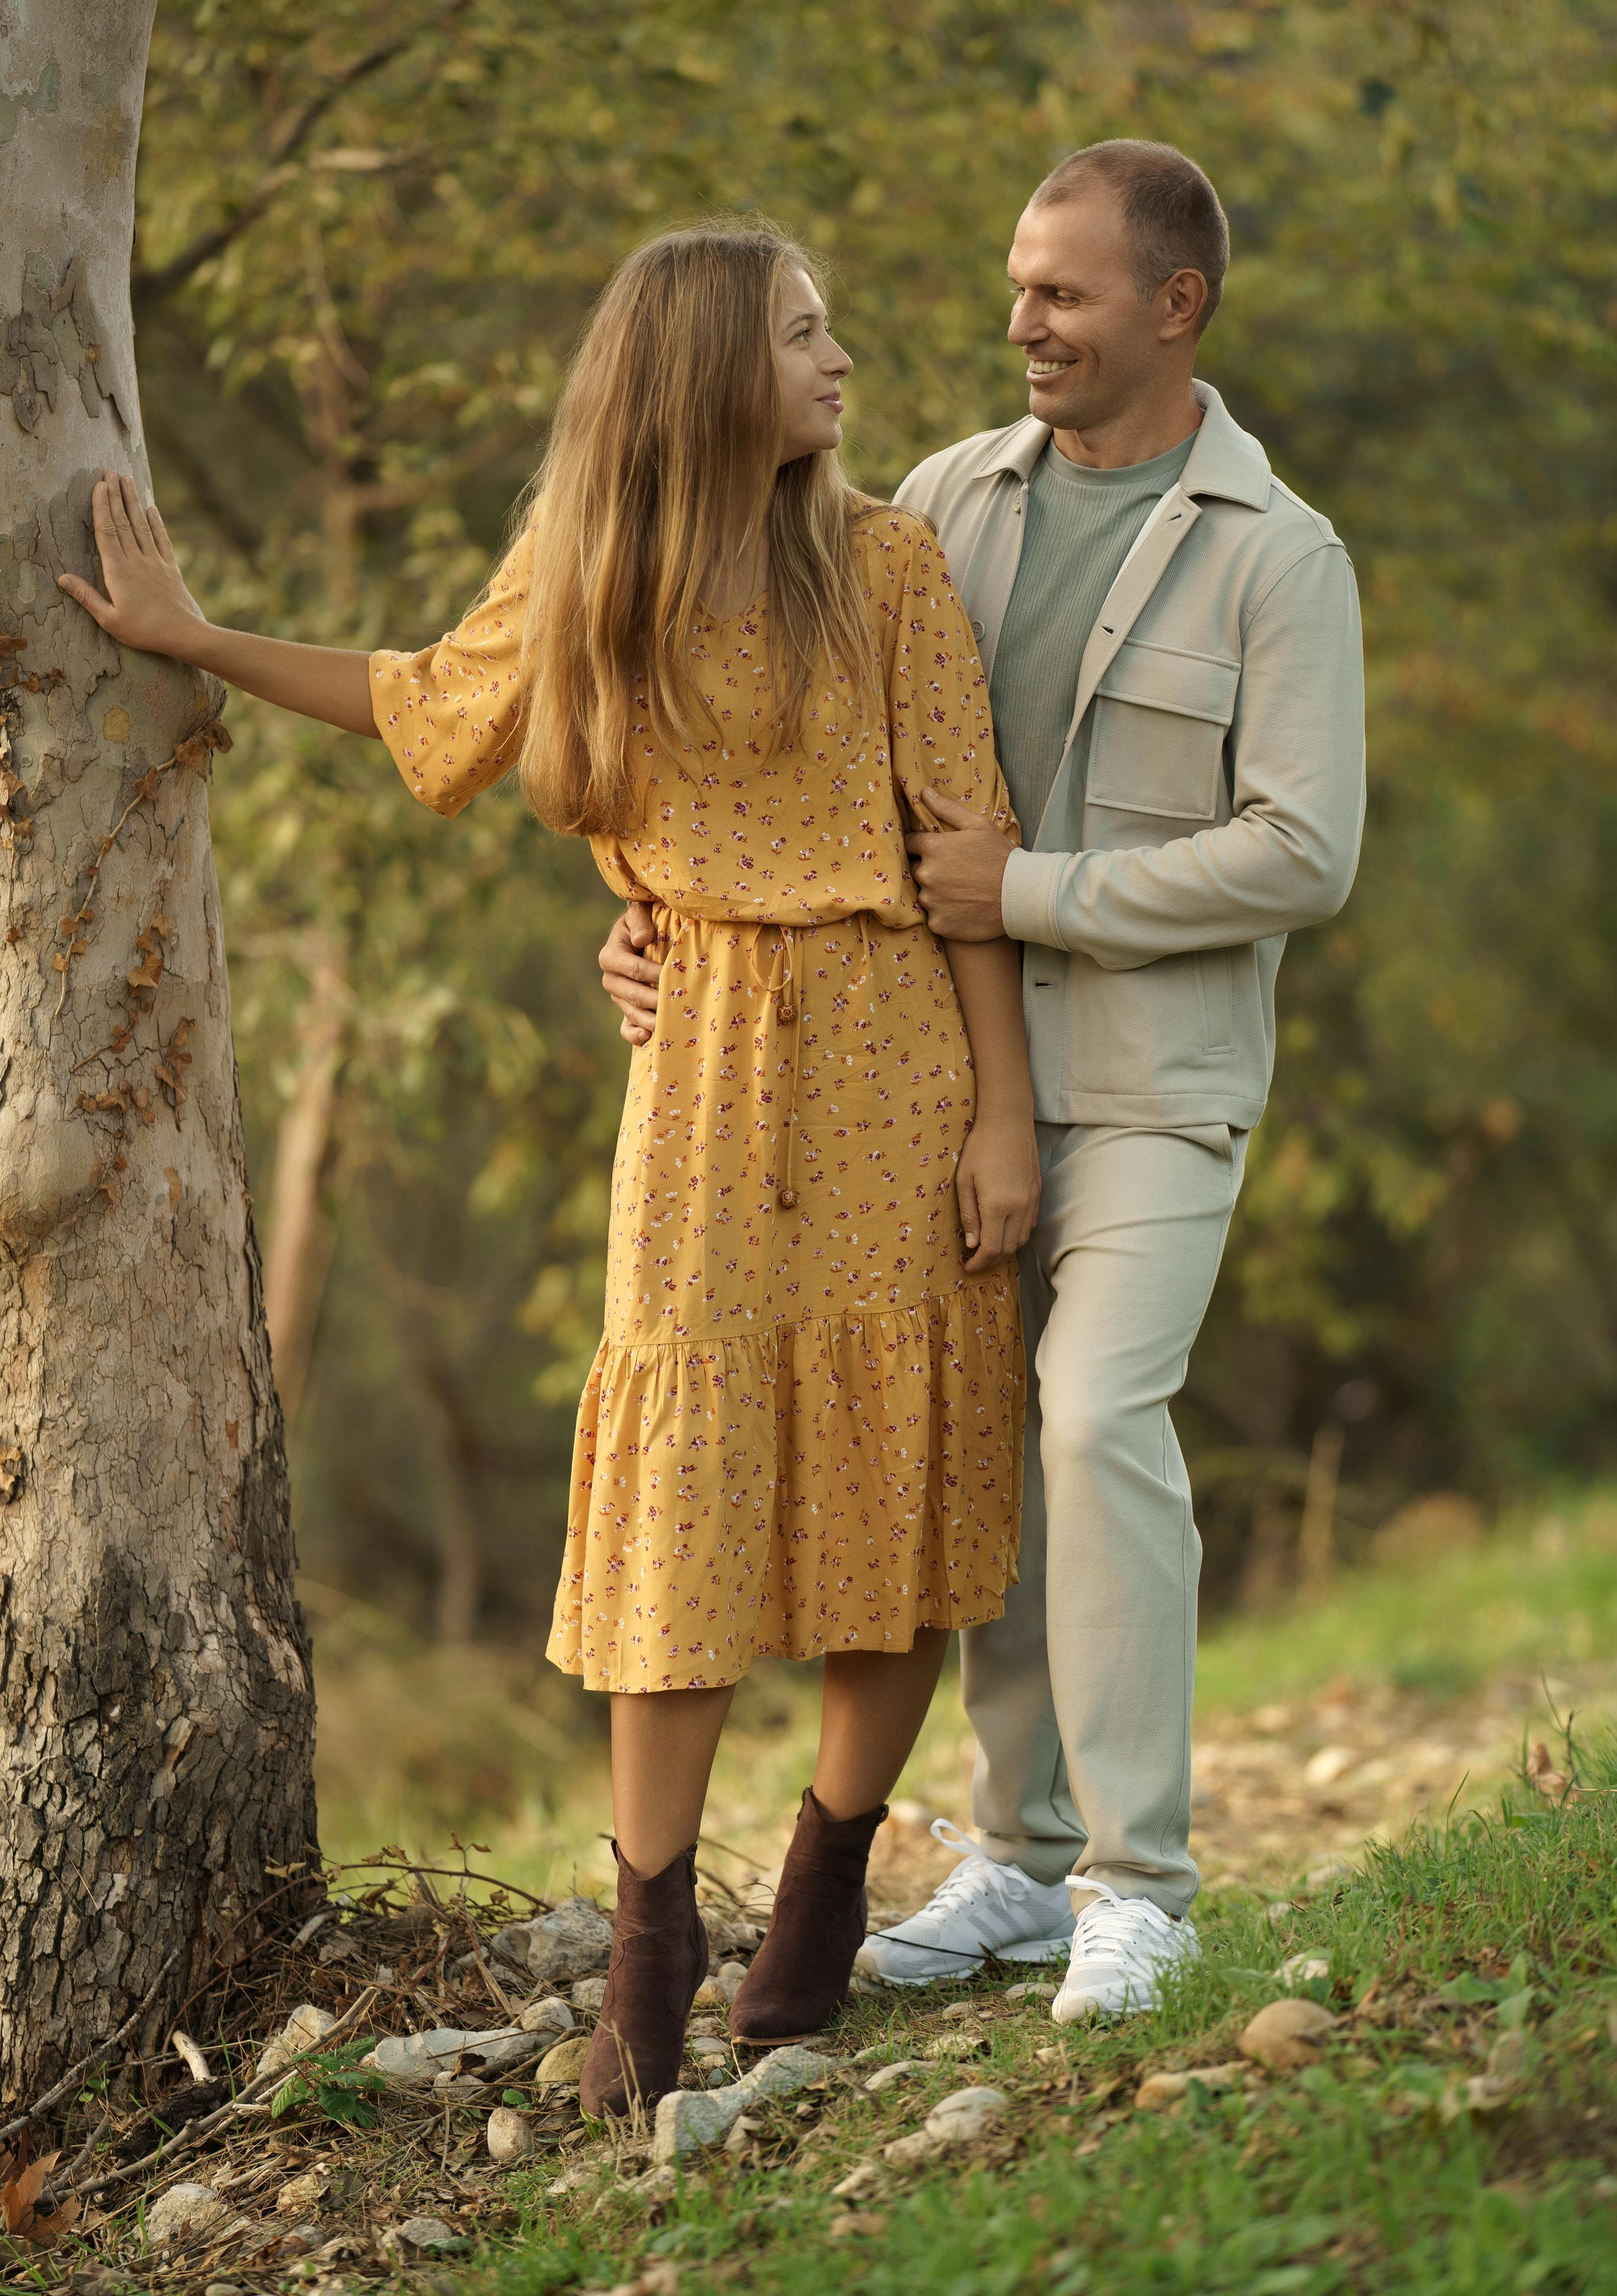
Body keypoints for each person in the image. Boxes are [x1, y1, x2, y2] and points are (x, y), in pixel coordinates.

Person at [61, 222, 1039, 2111]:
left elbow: (965, 856)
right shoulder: (589, 578)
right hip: (699, 1093)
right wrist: (196, 642)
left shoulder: (889, 566)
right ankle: (650, 1946)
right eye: (805, 333)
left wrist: (1004, 1115)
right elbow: (425, 699)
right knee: (686, 1500)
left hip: (896, 1058)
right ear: (701, 374)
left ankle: (825, 1886)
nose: (845, 362)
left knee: (892, 1502)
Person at [601, 143, 1367, 2027]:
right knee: (979, 1477)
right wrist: (644, 931)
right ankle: (1015, 1866)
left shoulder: (1281, 555)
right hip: (920, 1096)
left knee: (1098, 1418)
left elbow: (1307, 850)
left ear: (1175, 308)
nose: (1019, 320)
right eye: (1019, 284)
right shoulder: (936, 504)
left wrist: (1034, 894)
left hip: (1157, 1089)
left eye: (1064, 294)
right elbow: (773, 772)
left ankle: (1139, 1886)